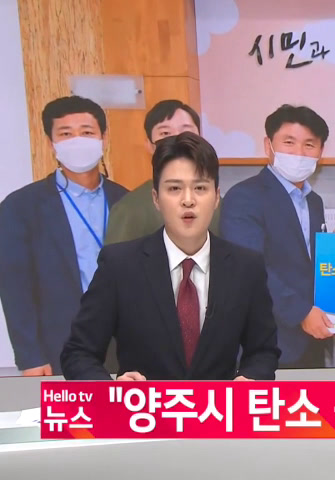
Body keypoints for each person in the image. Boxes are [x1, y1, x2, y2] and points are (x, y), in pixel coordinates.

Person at [60, 132, 280, 380]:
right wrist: (113, 392)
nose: (188, 200)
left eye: (200, 188)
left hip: (218, 405)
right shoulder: (119, 266)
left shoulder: (246, 268)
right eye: (174, 188)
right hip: (141, 405)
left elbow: (263, 352)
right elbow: (78, 353)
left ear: (217, 197)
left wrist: (249, 380)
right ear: (156, 198)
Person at [0, 96, 128, 376]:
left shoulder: (125, 200)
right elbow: (15, 289)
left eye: (87, 132)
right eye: (66, 134)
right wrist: (30, 356)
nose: (77, 141)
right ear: (51, 143)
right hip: (59, 345)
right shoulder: (21, 207)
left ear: (104, 138)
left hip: (125, 344)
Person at [221, 105, 330, 369]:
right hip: (266, 341)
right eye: (289, 142)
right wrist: (301, 313)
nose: (299, 153)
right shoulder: (244, 197)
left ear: (321, 151)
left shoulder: (314, 202)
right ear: (268, 145)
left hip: (312, 340)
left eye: (309, 145)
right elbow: (250, 268)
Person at [105, 99, 222, 244]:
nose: (177, 140)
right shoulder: (129, 209)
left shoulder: (223, 204)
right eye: (165, 133)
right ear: (149, 145)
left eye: (186, 131)